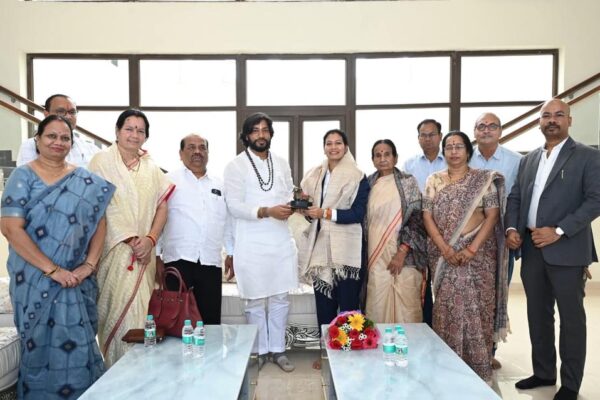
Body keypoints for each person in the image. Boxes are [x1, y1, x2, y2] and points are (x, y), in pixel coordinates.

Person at [1, 115, 115, 399]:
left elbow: (100, 222)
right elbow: (11, 228)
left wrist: (90, 264)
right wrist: (53, 271)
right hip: (34, 278)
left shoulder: (85, 180)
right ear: (38, 140)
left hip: (77, 279)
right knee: (38, 348)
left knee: (81, 346)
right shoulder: (22, 176)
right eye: (51, 136)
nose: (58, 142)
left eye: (65, 138)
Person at [506, 99, 600, 400]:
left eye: (559, 115)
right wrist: (512, 229)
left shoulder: (587, 156)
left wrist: (558, 230)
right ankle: (544, 372)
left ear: (569, 120)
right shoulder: (529, 159)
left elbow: (595, 200)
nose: (552, 120)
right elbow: (516, 197)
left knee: (572, 320)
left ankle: (570, 384)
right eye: (546, 115)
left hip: (567, 249)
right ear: (539, 122)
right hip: (532, 249)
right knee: (538, 315)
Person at [88, 109, 174, 367]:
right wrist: (130, 239)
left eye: (140, 130)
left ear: (146, 136)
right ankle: (116, 372)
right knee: (116, 316)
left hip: (145, 254)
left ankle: (141, 374)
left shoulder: (151, 168)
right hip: (113, 251)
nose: (134, 134)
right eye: (129, 128)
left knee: (141, 316)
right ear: (117, 131)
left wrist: (150, 240)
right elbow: (101, 206)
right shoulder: (101, 162)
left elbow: (162, 207)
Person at [422, 130, 508, 384]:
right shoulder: (434, 180)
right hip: (444, 256)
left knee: (477, 309)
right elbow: (427, 216)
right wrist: (445, 248)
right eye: (449, 147)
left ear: (468, 151)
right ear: (443, 152)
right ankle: (447, 366)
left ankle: (478, 366)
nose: (454, 151)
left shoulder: (483, 180)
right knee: (446, 310)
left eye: (458, 146)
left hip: (478, 256)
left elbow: (492, 215)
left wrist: (470, 249)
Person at [224, 112, 298, 372]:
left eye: (265, 130)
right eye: (255, 130)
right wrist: (267, 211)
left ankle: (278, 350)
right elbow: (233, 206)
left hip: (280, 240)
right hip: (251, 242)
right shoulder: (235, 166)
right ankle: (259, 351)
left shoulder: (281, 162)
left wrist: (294, 203)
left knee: (280, 298)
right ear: (246, 136)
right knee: (254, 300)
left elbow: (288, 192)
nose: (261, 135)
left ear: (271, 134)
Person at [297, 129, 369, 368]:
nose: (333, 147)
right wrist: (307, 211)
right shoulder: (315, 175)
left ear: (346, 147)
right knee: (324, 305)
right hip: (320, 248)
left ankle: (348, 355)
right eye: (329, 143)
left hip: (347, 250)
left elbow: (357, 213)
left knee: (348, 305)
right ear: (324, 147)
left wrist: (325, 213)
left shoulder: (358, 176)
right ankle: (326, 354)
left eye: (338, 142)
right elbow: (311, 213)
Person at [158, 134, 233, 325]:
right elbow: (158, 218)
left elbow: (226, 221)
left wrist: (231, 253)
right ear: (180, 153)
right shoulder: (168, 180)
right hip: (178, 260)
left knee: (210, 322)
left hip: (210, 261)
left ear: (208, 153)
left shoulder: (220, 184)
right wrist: (157, 255)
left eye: (202, 147)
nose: (197, 151)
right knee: (175, 322)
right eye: (191, 147)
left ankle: (210, 347)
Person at [469, 112, 522, 370]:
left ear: (500, 131)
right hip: (467, 240)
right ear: (475, 131)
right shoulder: (463, 157)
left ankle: (488, 351)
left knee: (495, 295)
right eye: (482, 126)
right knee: (467, 295)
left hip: (500, 243)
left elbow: (519, 199)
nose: (487, 130)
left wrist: (513, 229)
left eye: (492, 126)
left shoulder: (516, 161)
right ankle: (464, 347)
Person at [364, 139, 427, 323]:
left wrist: (402, 251)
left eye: (387, 154)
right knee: (377, 300)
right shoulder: (368, 184)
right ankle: (378, 340)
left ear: (395, 158)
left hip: (405, 255)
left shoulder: (408, 182)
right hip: (375, 254)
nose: (382, 159)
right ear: (373, 160)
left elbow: (417, 219)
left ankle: (408, 341)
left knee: (406, 305)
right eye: (378, 155)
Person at [402, 118, 446, 327]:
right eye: (423, 135)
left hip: (446, 230)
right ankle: (426, 326)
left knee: (445, 282)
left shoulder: (451, 162)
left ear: (440, 136)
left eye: (432, 134)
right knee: (422, 281)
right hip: (418, 231)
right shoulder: (409, 165)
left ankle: (445, 328)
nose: (427, 139)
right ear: (418, 138)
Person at [17, 94, 100, 167]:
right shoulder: (30, 146)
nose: (68, 116)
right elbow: (29, 177)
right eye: (61, 111)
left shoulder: (91, 149)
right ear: (46, 114)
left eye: (72, 112)